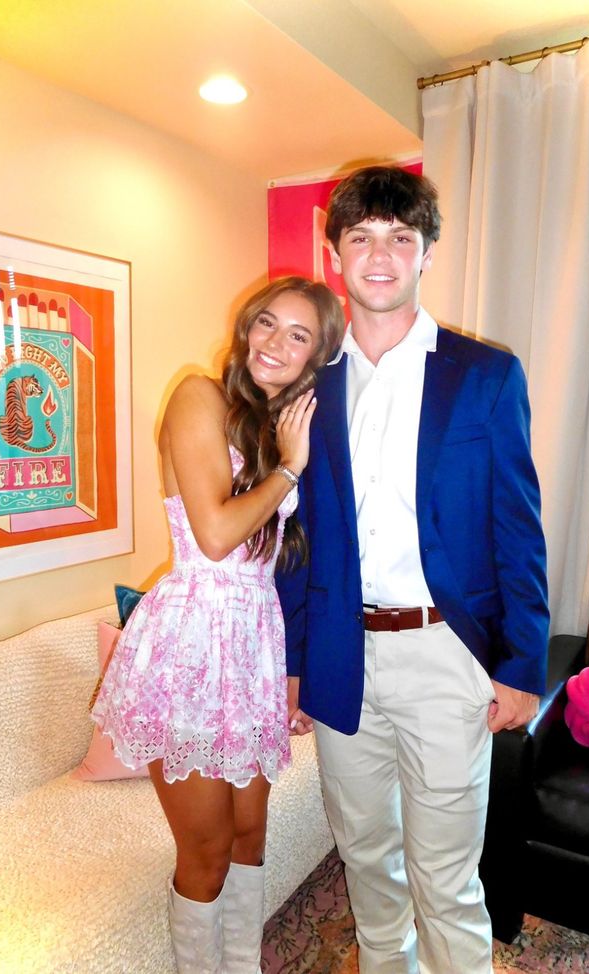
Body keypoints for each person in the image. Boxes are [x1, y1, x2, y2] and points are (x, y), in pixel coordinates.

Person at [276, 166, 550, 974]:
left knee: (446, 876)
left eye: (401, 236)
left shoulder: (485, 375)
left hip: (445, 655)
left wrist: (521, 665)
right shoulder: (309, 384)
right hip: (340, 656)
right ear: (335, 256)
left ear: (428, 250)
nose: (381, 254)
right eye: (360, 237)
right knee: (366, 860)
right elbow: (298, 543)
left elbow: (519, 532)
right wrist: (293, 666)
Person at [91, 276, 345, 974]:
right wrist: (289, 471)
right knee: (203, 857)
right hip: (193, 643)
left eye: (299, 336)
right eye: (267, 323)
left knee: (250, 836)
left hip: (252, 645)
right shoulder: (198, 396)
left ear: (315, 359)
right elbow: (214, 535)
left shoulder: (273, 427)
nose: (275, 343)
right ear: (244, 329)